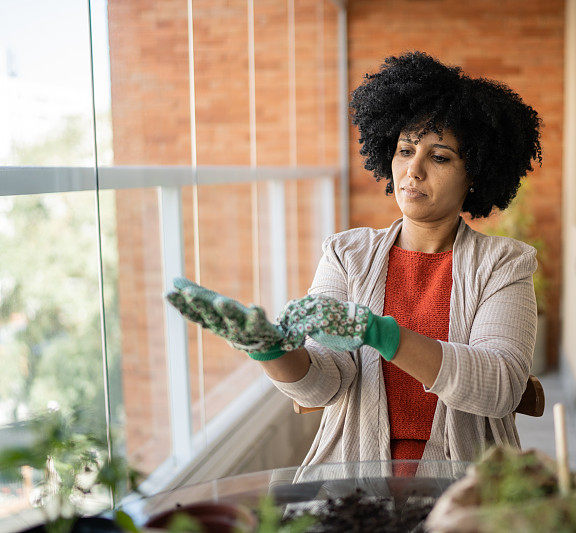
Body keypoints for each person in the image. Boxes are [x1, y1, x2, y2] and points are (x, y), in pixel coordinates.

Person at [166, 51, 542, 468]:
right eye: (404, 150)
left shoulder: (504, 264)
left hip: (467, 480)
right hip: (353, 471)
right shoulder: (346, 255)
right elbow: (320, 387)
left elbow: (502, 386)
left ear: (476, 174)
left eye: (439, 157)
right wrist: (269, 349)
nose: (412, 170)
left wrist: (379, 333)